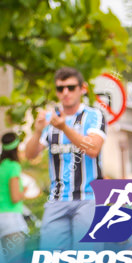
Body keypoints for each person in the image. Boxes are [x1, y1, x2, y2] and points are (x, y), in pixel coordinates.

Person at [23, 67, 107, 250]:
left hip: (89, 198)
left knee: (87, 261)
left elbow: (92, 149)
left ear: (82, 88)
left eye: (70, 87)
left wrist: (64, 128)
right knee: (51, 262)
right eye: (61, 89)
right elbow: (30, 155)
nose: (66, 93)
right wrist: (37, 131)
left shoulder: (94, 115)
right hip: (57, 200)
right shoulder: (50, 119)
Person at [0, 132, 28, 258]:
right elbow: (15, 197)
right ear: (16, 148)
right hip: (11, 219)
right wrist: (25, 191)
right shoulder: (14, 166)